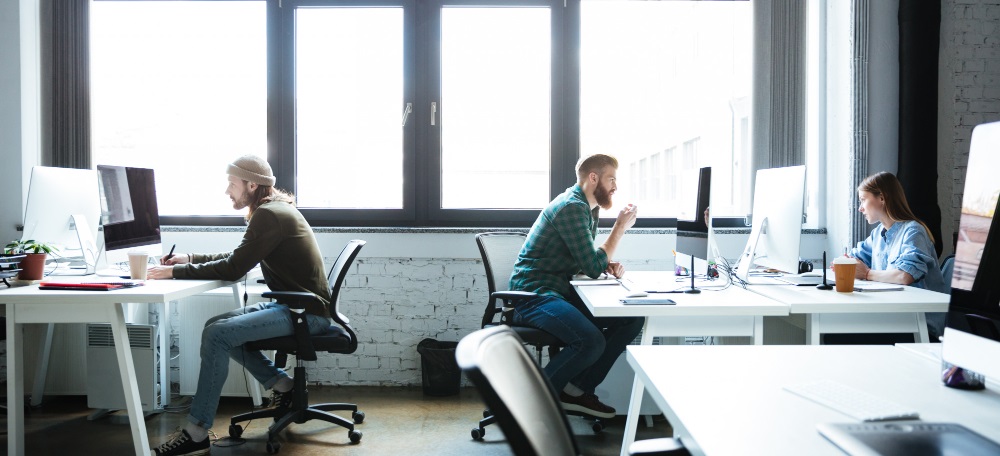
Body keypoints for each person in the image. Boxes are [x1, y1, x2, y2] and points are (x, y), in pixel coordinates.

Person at [145, 155, 333, 456]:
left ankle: (196, 433)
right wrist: (191, 259)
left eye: (232, 184)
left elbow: (234, 269)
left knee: (218, 335)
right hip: (296, 306)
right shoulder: (274, 210)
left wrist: (173, 271)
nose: (227, 191)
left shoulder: (270, 215)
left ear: (251, 184)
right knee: (215, 328)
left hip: (306, 313)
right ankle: (284, 387)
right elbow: (239, 257)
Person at [508, 153, 644, 419]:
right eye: (611, 179)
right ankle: (531, 404)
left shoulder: (586, 208)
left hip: (556, 291)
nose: (615, 186)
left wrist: (605, 262)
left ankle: (574, 389)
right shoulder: (571, 206)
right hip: (533, 296)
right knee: (589, 340)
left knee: (630, 318)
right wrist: (619, 228)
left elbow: (586, 262)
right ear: (593, 178)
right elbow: (592, 268)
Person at [846, 171, 948, 339]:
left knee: (838, 334)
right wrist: (846, 263)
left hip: (918, 325)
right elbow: (853, 259)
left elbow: (904, 276)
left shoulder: (913, 232)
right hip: (892, 316)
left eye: (863, 200)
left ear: (882, 198)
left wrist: (866, 273)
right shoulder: (878, 233)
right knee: (839, 328)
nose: (860, 208)